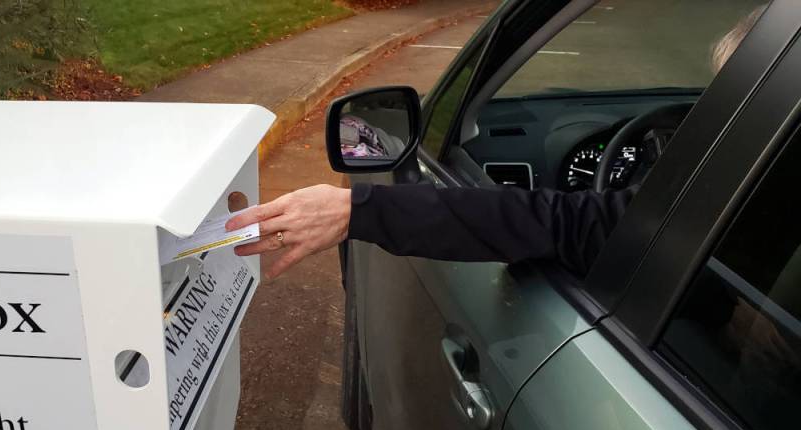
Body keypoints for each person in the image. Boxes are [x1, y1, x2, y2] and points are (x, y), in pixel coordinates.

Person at [226, 6, 764, 280]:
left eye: (728, 106)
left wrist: (353, 209)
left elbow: (564, 222)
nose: (714, 125)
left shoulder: (722, 209)